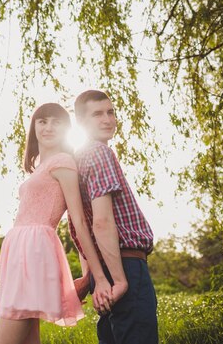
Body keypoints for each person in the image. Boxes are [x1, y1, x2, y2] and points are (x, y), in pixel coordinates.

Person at [0, 103, 113, 344]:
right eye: (42, 121)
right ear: (34, 127)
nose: (48, 127)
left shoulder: (63, 163)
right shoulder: (39, 168)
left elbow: (78, 221)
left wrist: (95, 275)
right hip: (18, 252)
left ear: (66, 129)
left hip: (34, 251)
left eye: (56, 122)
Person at [70, 90, 158, 344]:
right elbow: (101, 222)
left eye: (110, 112)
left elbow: (78, 227)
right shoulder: (98, 152)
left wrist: (93, 279)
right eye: (97, 114)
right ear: (81, 123)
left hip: (106, 269)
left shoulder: (77, 160)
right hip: (126, 267)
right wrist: (120, 281)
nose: (107, 119)